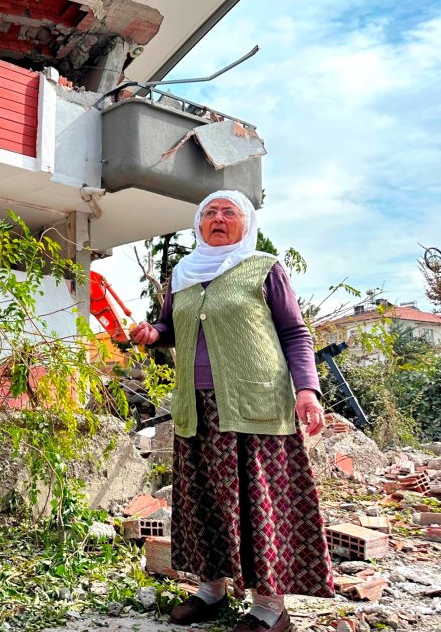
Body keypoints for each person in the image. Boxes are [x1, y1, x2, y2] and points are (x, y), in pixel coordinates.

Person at [130, 190, 333, 632]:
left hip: (254, 402)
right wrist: (152, 332)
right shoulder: (182, 274)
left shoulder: (264, 268)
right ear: (198, 225)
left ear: (247, 223)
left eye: (229, 212)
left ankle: (269, 607)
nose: (217, 218)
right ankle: (211, 590)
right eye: (209, 213)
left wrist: (307, 389)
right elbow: (172, 327)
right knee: (203, 497)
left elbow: (295, 333)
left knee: (256, 502)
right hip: (196, 404)